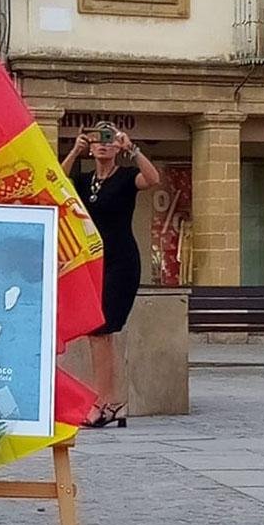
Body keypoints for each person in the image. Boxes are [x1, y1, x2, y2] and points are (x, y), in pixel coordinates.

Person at [61, 123, 160, 428]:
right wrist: (75, 150)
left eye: (109, 140)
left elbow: (153, 179)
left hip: (121, 261)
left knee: (103, 330)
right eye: (97, 140)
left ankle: (103, 403)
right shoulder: (84, 180)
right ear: (90, 146)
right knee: (97, 333)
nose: (103, 145)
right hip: (94, 260)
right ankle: (112, 403)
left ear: (117, 147)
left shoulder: (127, 177)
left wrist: (133, 149)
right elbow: (58, 183)